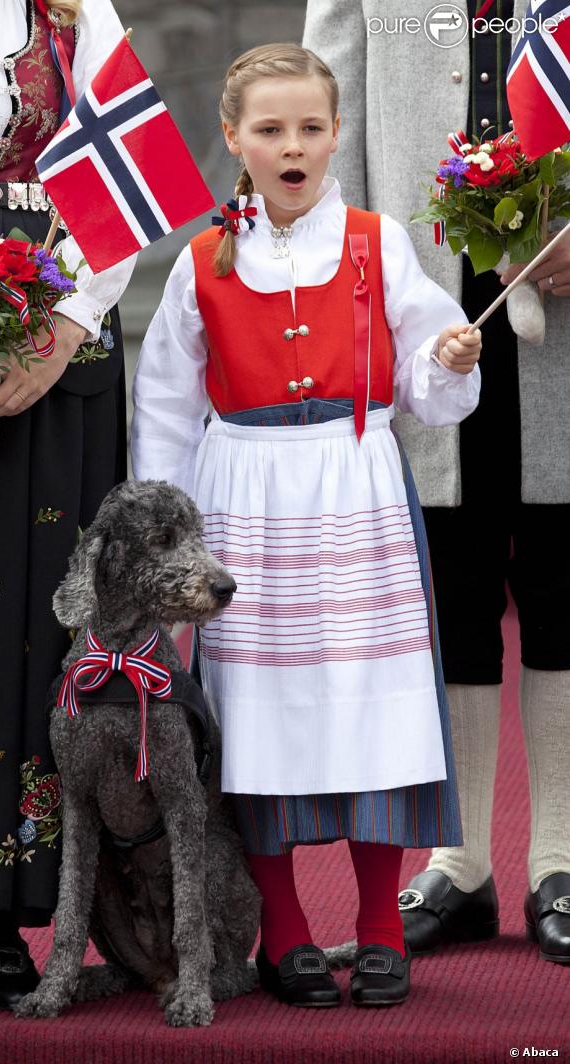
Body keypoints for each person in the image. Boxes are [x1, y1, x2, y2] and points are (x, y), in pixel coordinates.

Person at [131, 42, 482, 1009]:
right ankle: (283, 933)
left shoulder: (378, 242)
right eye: (272, 129)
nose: (294, 147)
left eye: (312, 129)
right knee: (256, 714)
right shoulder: (203, 260)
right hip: (243, 494)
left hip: (354, 485)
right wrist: (171, 544)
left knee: (373, 695)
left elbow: (424, 377)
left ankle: (377, 931)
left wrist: (447, 357)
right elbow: (162, 409)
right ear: (234, 137)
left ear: (336, 136)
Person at [302, 0, 570, 964]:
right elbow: (331, 118)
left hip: (567, 319)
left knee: (558, 578)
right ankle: (460, 865)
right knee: (448, 584)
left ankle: (559, 857)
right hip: (423, 318)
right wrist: (351, 294)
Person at [0, 0, 134, 1014]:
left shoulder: (76, 12)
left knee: (39, 630)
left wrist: (60, 330)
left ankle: (10, 908)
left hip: (55, 357)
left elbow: (126, 170)